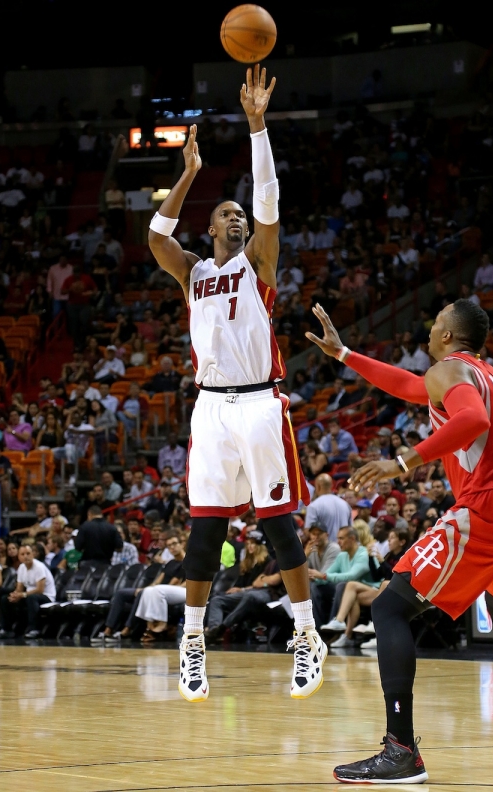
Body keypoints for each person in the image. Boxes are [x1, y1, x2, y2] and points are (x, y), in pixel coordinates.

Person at [306, 298, 493, 782]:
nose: (430, 322)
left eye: (435, 318)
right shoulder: (481, 372)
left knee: (389, 607)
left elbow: (473, 421)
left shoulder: (449, 369)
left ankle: (401, 752)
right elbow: (410, 386)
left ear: (446, 335)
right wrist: (345, 354)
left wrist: (402, 463)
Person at [147, 65, 325, 704]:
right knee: (206, 532)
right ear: (211, 227)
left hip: (259, 404)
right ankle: (191, 643)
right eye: (225, 213)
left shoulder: (260, 268)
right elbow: (156, 235)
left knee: (278, 527)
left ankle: (307, 634)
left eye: (240, 214)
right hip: (211, 413)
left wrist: (258, 127)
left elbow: (271, 201)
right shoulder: (193, 273)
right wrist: (189, 175)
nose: (237, 219)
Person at [0, 543, 56, 639]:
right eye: (22, 554)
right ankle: (6, 630)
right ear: (19, 556)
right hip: (29, 596)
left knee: (31, 598)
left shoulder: (39, 567)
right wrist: (15, 595)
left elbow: (40, 590)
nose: (26, 556)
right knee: (4, 599)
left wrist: (22, 594)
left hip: (46, 596)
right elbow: (19, 588)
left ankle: (34, 629)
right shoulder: (21, 568)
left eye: (28, 553)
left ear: (33, 554)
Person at [304, 473, 352, 542]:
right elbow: (350, 530)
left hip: (325, 550)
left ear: (318, 486)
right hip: (344, 549)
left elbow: (308, 532)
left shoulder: (314, 506)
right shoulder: (345, 504)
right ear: (331, 486)